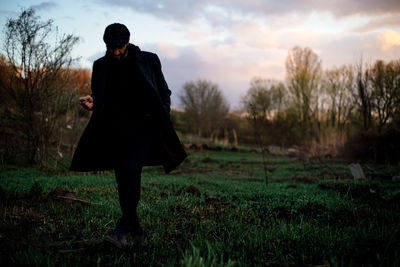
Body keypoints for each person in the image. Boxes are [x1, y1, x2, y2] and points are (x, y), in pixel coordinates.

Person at [69, 23, 187, 248]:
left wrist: (163, 114)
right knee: (123, 178)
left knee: (132, 169)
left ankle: (122, 229)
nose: (115, 52)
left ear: (127, 42)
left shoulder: (149, 60)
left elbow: (164, 91)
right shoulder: (100, 65)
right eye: (110, 47)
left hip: (144, 128)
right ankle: (137, 232)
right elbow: (100, 95)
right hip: (114, 130)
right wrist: (94, 102)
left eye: (119, 47)